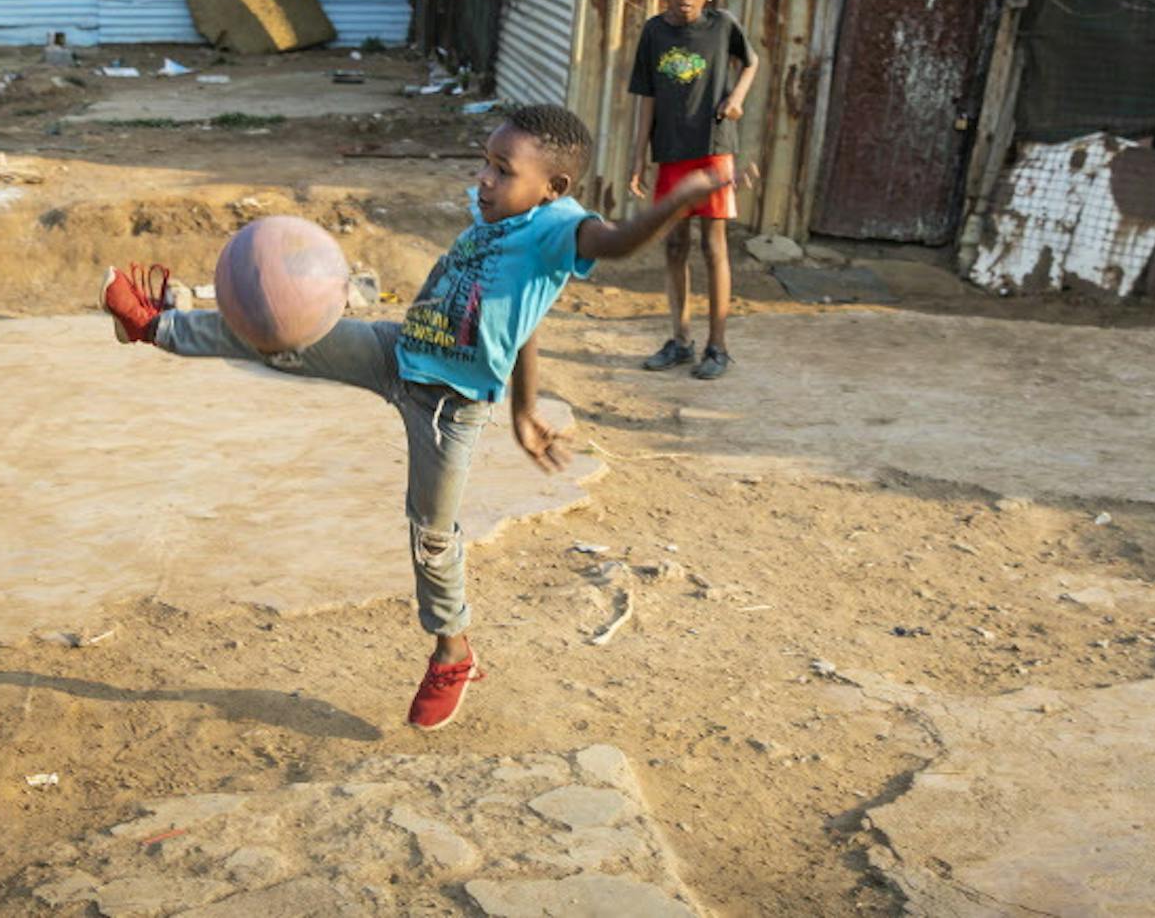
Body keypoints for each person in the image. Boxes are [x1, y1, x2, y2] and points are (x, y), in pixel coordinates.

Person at [102, 103, 728, 730]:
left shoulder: (562, 228)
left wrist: (678, 201)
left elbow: (615, 244)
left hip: (448, 408)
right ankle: (156, 325)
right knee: (283, 338)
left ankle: (453, 653)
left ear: (554, 188)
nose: (483, 179)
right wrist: (527, 407)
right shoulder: (498, 216)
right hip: (396, 352)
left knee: (432, 536)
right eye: (485, 162)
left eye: (502, 170)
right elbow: (525, 319)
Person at [625, 0, 758, 381]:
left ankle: (717, 346)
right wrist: (637, 156)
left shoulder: (722, 27)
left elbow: (752, 63)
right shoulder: (654, 33)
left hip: (713, 149)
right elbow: (645, 99)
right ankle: (681, 340)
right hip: (671, 153)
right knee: (675, 246)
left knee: (713, 246)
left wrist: (735, 100)